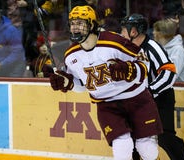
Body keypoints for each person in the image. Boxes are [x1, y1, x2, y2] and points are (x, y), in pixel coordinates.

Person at [49, 5, 163, 160]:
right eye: (73, 23)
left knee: (147, 149)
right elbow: (81, 87)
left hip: (137, 99)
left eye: (80, 23)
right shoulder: (71, 55)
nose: (75, 27)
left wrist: (130, 70)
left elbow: (144, 64)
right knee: (122, 148)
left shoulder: (114, 42)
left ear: (92, 25)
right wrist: (66, 82)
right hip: (107, 105)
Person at [120, 13, 184, 160]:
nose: (121, 34)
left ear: (134, 32)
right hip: (138, 100)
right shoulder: (127, 49)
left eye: (124, 30)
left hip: (161, 98)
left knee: (165, 138)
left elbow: (169, 73)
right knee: (133, 137)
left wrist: (150, 90)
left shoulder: (152, 47)